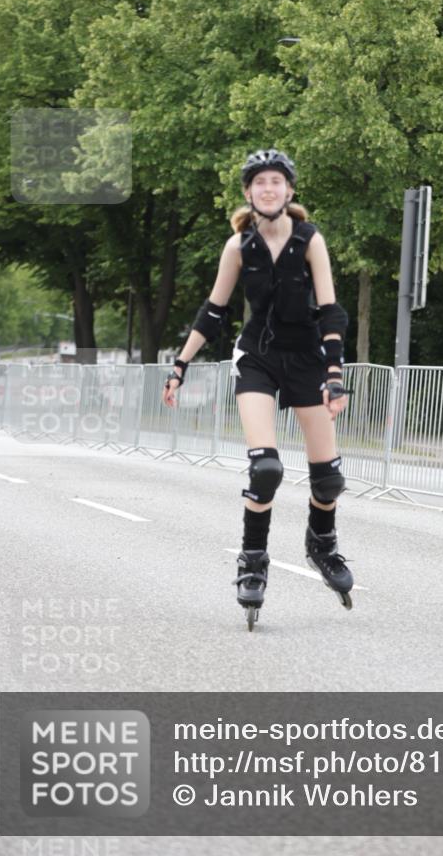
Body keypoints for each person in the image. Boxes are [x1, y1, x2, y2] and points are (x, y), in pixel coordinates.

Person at [162, 148, 353, 630]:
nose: (268, 189)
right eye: (260, 183)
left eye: (277, 182)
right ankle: (252, 561)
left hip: (307, 360)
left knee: (328, 479)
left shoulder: (310, 240)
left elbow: (330, 311)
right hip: (258, 360)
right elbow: (213, 311)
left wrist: (335, 374)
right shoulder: (238, 246)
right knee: (265, 467)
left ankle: (321, 544)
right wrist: (180, 365)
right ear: (248, 193)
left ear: (289, 191)